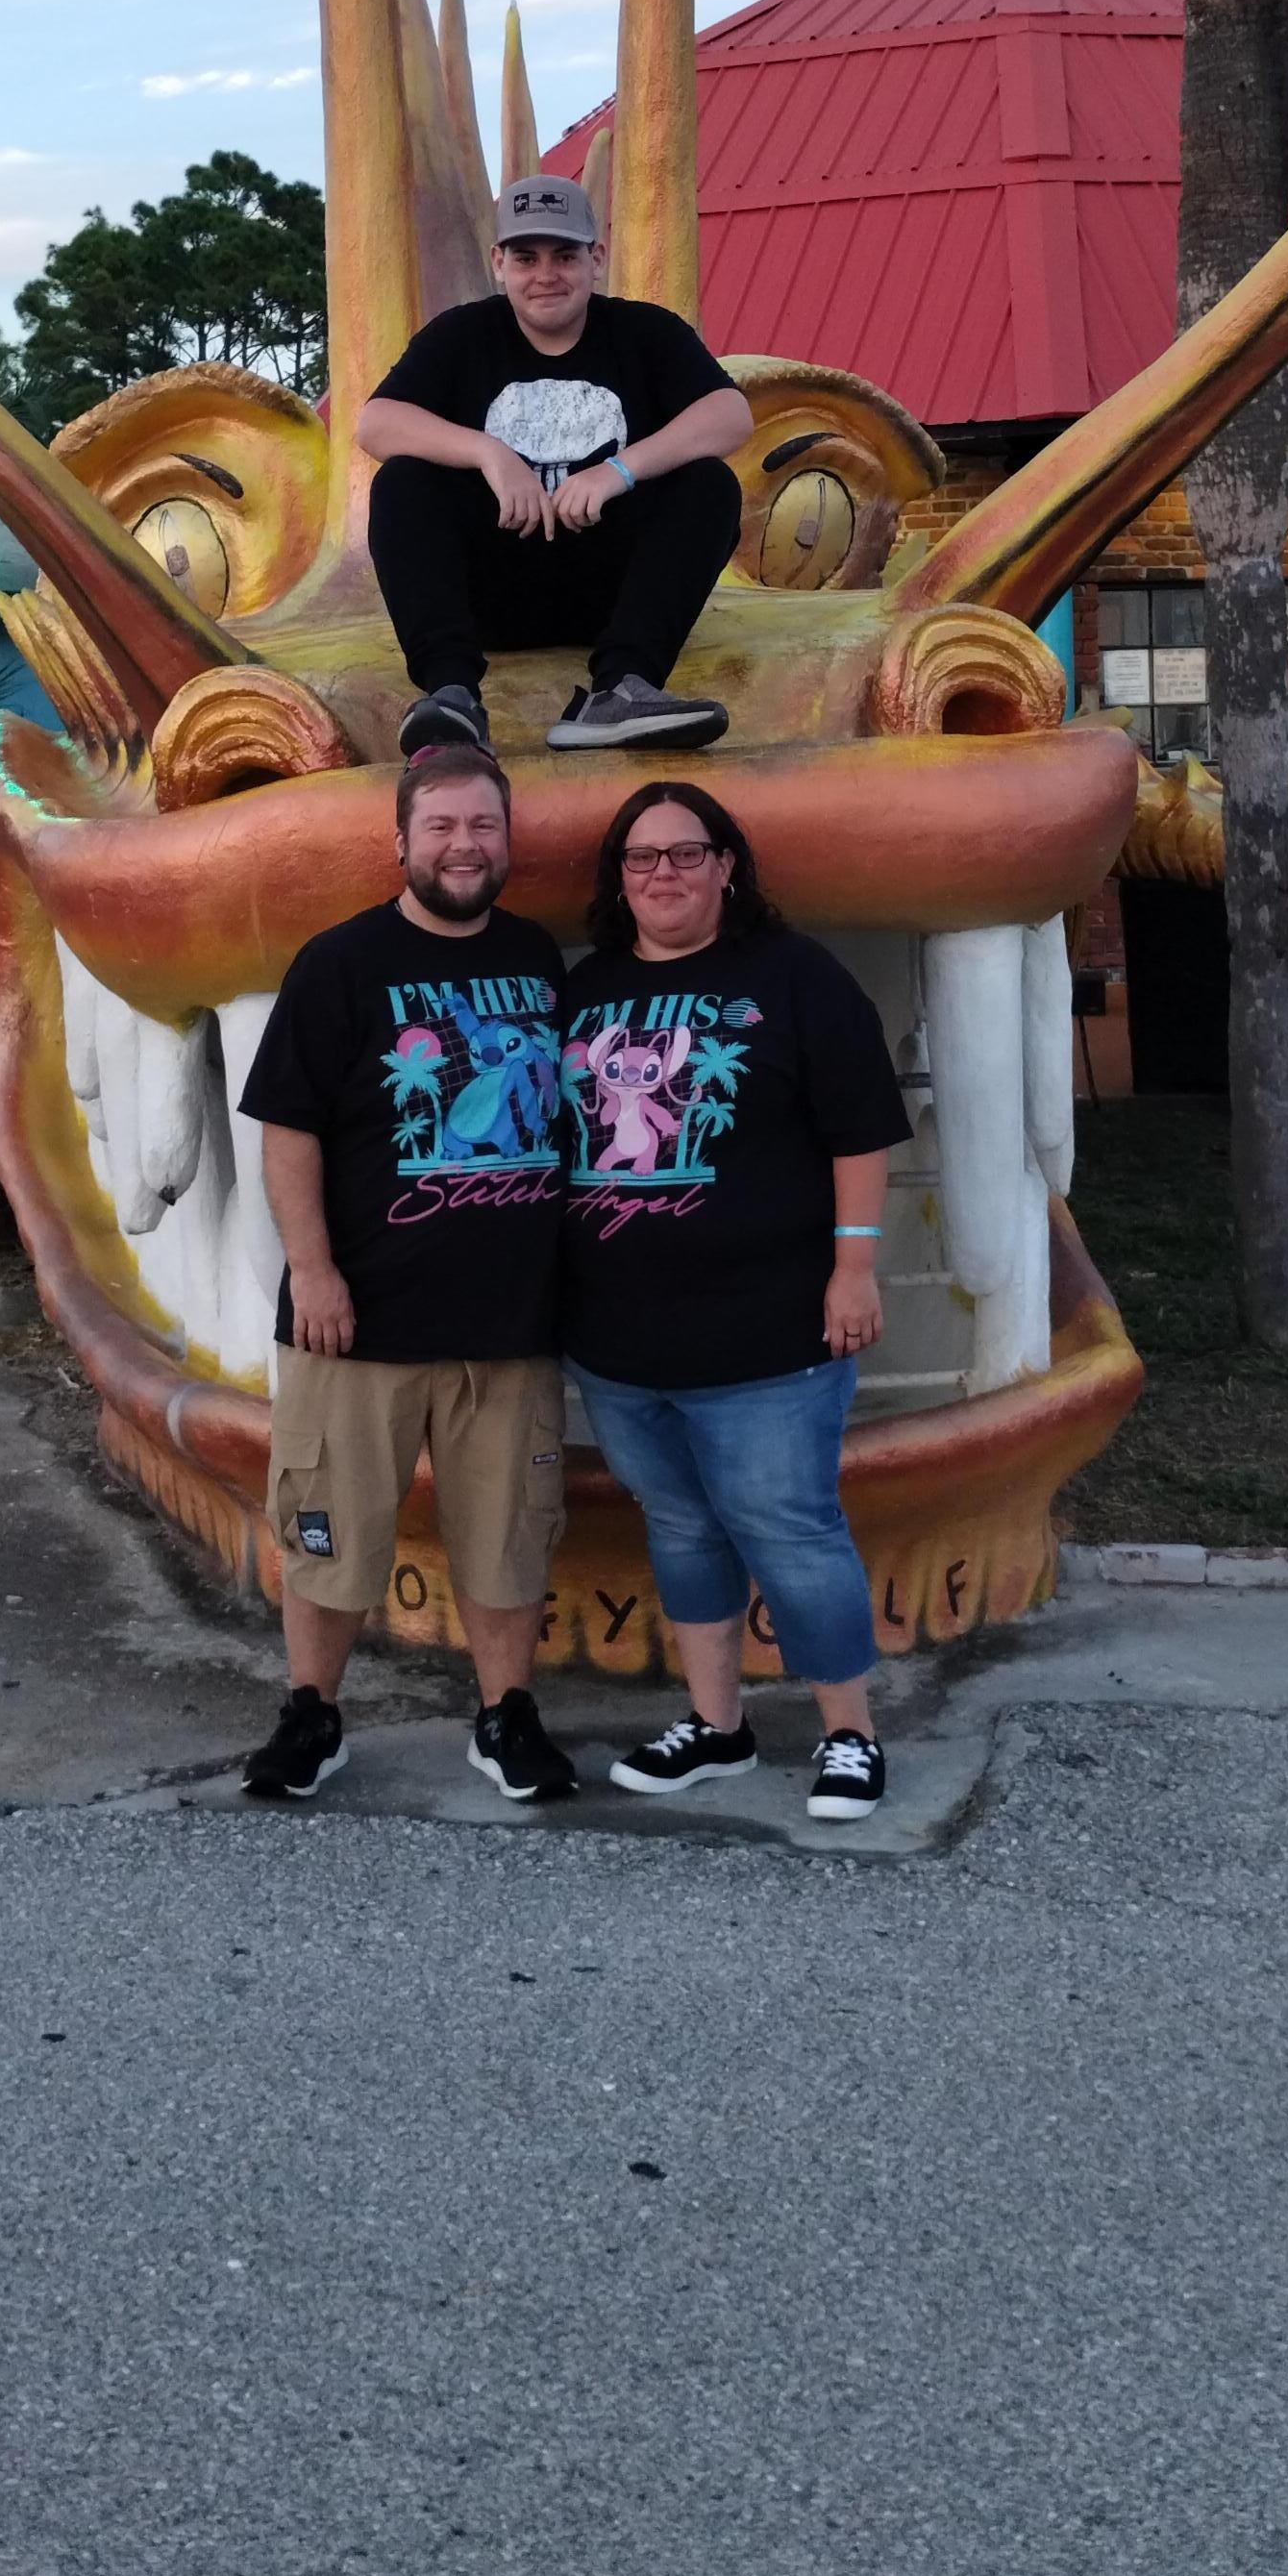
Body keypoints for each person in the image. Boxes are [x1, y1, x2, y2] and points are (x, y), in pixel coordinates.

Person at [557, 779, 910, 1820]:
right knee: (681, 1528)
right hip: (619, 1344)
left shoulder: (795, 977)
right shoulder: (585, 993)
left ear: (727, 867)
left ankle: (849, 1735)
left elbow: (860, 1133)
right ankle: (716, 1728)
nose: (661, 873)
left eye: (684, 853)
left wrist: (853, 1267)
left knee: (789, 1529)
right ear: (617, 881)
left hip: (770, 1338)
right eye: (640, 858)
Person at [237, 743, 579, 1806]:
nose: (463, 845)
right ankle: (312, 1715)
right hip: (359, 1321)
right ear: (400, 841)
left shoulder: (536, 958)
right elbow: (287, 1132)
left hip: (509, 1322)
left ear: (507, 840)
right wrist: (313, 1272)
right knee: (329, 1534)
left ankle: (505, 1715)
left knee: (509, 1538)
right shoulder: (339, 964)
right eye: (440, 827)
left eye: (481, 826)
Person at [356, 168, 752, 759]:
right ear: (499, 263)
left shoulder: (646, 333)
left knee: (709, 485)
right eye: (526, 257)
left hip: (610, 589)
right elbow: (375, 423)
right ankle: (452, 696)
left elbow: (730, 415)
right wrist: (490, 454)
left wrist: (617, 471)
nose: (545, 275)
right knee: (401, 484)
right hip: (495, 586)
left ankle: (620, 690)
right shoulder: (461, 336)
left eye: (564, 256)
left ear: (596, 258)